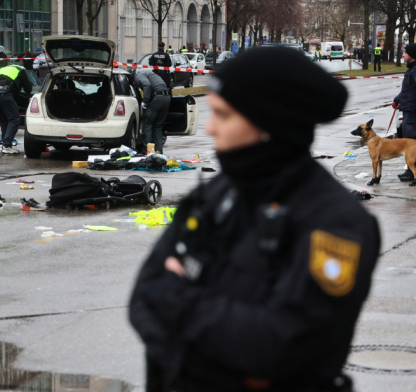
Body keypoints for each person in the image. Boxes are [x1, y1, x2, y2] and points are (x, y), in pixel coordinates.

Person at [129, 46, 380, 392]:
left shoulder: (336, 223)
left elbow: (279, 347)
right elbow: (143, 298)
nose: (210, 127)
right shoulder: (218, 192)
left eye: (223, 114)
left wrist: (178, 300)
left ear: (268, 123)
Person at [393, 43, 416, 181]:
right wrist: (397, 100)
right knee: (410, 142)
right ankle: (414, 170)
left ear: (412, 55)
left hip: (413, 110)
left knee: (411, 143)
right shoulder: (414, 68)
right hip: (409, 108)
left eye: (405, 52)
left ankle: (413, 172)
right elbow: (407, 90)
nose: (403, 55)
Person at [0, 63, 34, 154]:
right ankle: (7, 145)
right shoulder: (21, 70)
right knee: (14, 119)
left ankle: (5, 144)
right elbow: (28, 89)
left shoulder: (3, 69)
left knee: (4, 120)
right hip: (3, 93)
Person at [133, 69, 170, 154]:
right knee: (158, 126)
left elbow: (147, 85)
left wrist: (145, 101)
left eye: (134, 85)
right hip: (167, 98)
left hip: (157, 99)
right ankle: (159, 151)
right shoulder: (150, 73)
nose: (136, 86)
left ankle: (147, 151)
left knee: (147, 124)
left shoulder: (139, 75)